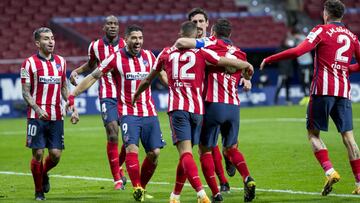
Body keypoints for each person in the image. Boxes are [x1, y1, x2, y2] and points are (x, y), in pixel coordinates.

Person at [133, 21, 253, 203]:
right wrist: (245, 65)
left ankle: (201, 193)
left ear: (180, 33)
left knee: (186, 154)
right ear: (195, 35)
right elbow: (223, 61)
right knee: (191, 153)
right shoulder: (202, 53)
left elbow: (148, 79)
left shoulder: (166, 53)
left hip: (178, 109)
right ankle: (175, 195)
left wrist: (135, 95)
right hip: (198, 110)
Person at [260, 0, 360, 195]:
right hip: (343, 91)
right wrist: (348, 68)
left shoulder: (321, 30)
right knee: (349, 138)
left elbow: (298, 51)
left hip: (322, 90)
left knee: (313, 134)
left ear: (326, 14)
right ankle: (359, 182)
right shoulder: (352, 36)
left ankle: (330, 171)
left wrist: (271, 58)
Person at [67, 25, 165, 202]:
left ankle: (141, 187)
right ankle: (136, 188)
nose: (138, 41)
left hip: (149, 111)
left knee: (155, 153)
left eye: (140, 38)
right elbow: (93, 76)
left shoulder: (150, 56)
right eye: (134, 38)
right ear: (126, 40)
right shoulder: (115, 58)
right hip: (128, 112)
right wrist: (73, 94)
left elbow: (164, 76)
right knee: (131, 149)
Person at [175, 18, 256, 202]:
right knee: (231, 148)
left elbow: (183, 45)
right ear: (230, 34)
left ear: (213, 32)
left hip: (212, 104)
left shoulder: (208, 46)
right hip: (234, 106)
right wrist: (246, 73)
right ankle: (247, 178)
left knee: (205, 150)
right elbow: (246, 73)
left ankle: (215, 193)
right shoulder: (240, 53)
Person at [69, 15, 127, 190]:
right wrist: (77, 71)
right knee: (112, 132)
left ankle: (118, 166)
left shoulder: (126, 44)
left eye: (115, 24)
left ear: (118, 27)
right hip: (107, 95)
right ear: (104, 27)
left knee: (130, 136)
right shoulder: (95, 46)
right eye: (109, 23)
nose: (112, 26)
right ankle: (117, 179)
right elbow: (91, 65)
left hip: (125, 95)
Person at [21, 27, 79, 201]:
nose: (51, 41)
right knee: (38, 153)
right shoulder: (29, 63)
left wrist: (72, 106)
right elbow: (25, 92)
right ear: (37, 43)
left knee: (55, 155)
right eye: (46, 39)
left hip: (56, 116)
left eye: (52, 38)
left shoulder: (61, 61)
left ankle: (43, 173)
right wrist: (38, 109)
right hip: (36, 116)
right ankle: (38, 191)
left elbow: (63, 87)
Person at [188, 8, 236, 192]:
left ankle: (228, 158)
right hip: (197, 99)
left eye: (201, 21)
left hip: (218, 97)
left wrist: (245, 77)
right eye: (194, 22)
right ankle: (223, 182)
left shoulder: (213, 43)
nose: (198, 25)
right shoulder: (189, 44)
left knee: (219, 142)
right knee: (207, 143)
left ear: (208, 24)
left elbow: (234, 58)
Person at [293, 28, 313, 105]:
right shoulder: (295, 41)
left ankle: (309, 97)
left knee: (307, 81)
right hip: (301, 64)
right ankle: (305, 96)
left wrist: (298, 36)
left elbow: (307, 41)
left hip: (307, 64)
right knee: (302, 81)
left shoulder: (303, 38)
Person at [274, 33, 295, 105]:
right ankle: (275, 101)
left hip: (289, 72)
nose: (289, 42)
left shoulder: (290, 50)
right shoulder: (280, 49)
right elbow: (278, 59)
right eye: (287, 41)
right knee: (279, 86)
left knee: (287, 87)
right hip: (282, 72)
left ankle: (288, 100)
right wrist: (283, 72)